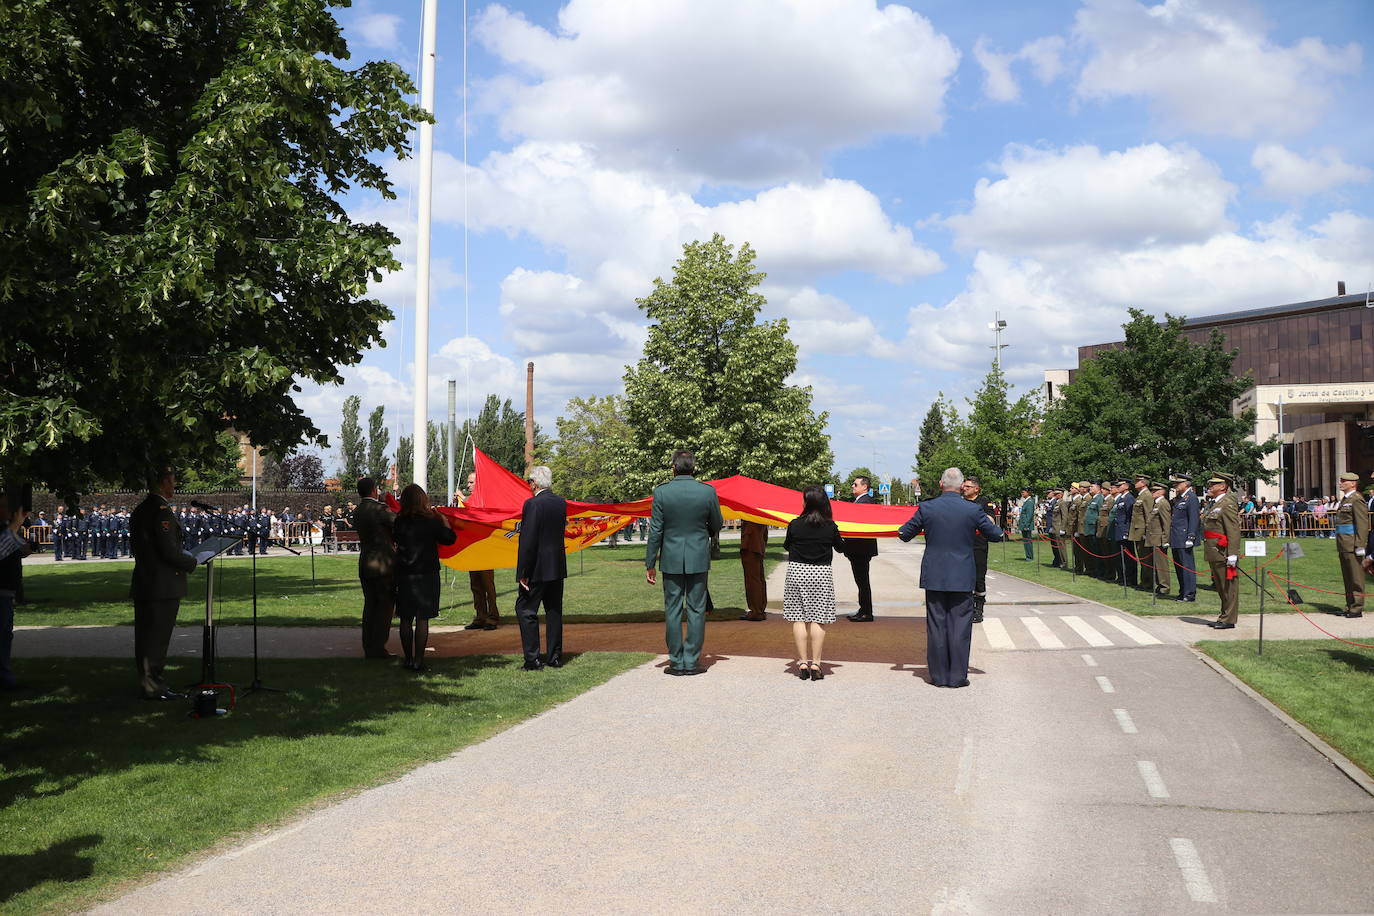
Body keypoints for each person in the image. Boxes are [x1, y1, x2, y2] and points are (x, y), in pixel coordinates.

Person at [899, 468, 1003, 688]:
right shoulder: (973, 509)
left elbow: (904, 534)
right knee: (960, 626)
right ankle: (956, 676)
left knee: (937, 626)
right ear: (961, 485)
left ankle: (938, 676)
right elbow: (996, 535)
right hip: (962, 575)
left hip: (935, 575)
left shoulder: (926, 507)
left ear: (940, 484)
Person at [645, 449, 723, 677]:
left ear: (674, 467)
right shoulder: (707, 492)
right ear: (693, 467)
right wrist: (702, 533)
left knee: (672, 609)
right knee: (697, 609)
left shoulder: (662, 492)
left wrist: (650, 562)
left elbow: (655, 531)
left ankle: (676, 661)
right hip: (698, 555)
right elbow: (717, 523)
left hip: (670, 557)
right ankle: (691, 660)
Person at [129, 468, 199, 700]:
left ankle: (149, 683)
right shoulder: (161, 512)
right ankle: (154, 687)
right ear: (163, 482)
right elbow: (168, 550)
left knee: (146, 638)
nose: (174, 486)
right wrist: (192, 561)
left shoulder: (142, 509)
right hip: (162, 584)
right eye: (172, 481)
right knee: (156, 639)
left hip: (146, 581)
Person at [782, 485, 846, 680]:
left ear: (807, 503)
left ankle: (802, 663)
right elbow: (841, 548)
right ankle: (816, 664)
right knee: (818, 619)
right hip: (821, 574)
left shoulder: (794, 524)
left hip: (797, 572)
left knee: (799, 617)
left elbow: (787, 545)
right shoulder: (830, 526)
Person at [393, 484, 457, 671]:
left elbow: (395, 540)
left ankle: (407, 659)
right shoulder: (431, 521)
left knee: (405, 618)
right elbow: (449, 538)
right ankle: (419, 661)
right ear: (423, 500)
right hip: (427, 574)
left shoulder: (399, 521)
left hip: (405, 574)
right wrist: (443, 520)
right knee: (422, 619)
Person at [514, 466, 569, 670]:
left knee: (525, 609)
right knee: (554, 611)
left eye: (529, 481)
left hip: (537, 567)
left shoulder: (532, 504)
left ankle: (532, 659)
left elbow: (528, 541)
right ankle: (554, 657)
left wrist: (523, 572)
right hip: (556, 565)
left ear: (535, 483)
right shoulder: (560, 503)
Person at [353, 477, 397, 659]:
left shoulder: (358, 511)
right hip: (382, 563)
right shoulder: (379, 509)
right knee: (385, 606)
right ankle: (379, 647)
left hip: (365, 562)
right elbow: (398, 524)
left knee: (370, 605)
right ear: (373, 490)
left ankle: (368, 646)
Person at [1, 492, 35, 690]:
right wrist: (16, 525)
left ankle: (4, 676)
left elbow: (20, 548)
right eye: (4, 506)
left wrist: (28, 545)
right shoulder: (6, 529)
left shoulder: (7, 529)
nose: (8, 511)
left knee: (5, 637)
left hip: (7, 592)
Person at [460, 471, 502, 631]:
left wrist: (463, 499)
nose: (468, 485)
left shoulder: (485, 499)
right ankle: (480, 616)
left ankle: (492, 617)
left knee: (488, 585)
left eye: (471, 482)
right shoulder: (468, 500)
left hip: (485, 549)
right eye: (468, 482)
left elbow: (479, 513)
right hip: (472, 548)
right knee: (475, 585)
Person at [1202, 473, 1242, 629]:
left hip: (1223, 551)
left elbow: (1233, 530)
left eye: (1213, 484)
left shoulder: (1227, 504)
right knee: (1220, 586)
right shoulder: (1215, 503)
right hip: (1214, 550)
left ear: (1223, 486)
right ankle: (1224, 616)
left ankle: (1229, 619)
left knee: (1228, 587)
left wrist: (1232, 553)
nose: (1209, 487)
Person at [1333, 472, 1369, 618]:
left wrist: (1360, 545)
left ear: (1353, 483)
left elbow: (1362, 524)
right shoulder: (1345, 499)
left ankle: (1356, 608)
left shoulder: (1356, 499)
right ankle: (1349, 606)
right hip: (1344, 543)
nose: (1340, 483)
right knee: (1348, 577)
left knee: (1356, 578)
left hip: (1353, 544)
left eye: (1344, 481)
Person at [842, 475, 878, 622]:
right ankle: (863, 609)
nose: (852, 486)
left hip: (860, 549)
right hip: (858, 549)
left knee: (863, 582)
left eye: (855, 484)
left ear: (865, 487)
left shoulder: (865, 502)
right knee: (861, 581)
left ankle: (866, 612)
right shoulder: (860, 501)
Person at [961, 477, 995, 623]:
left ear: (976, 489)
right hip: (961, 544)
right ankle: (964, 607)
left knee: (978, 577)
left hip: (978, 545)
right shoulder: (959, 501)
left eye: (968, 486)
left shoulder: (984, 502)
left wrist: (972, 514)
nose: (965, 488)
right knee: (962, 577)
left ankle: (978, 608)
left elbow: (991, 521)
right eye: (964, 486)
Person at [1169, 475, 1200, 602]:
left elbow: (1193, 518)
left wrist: (1191, 536)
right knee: (1179, 566)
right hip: (1176, 537)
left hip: (1184, 537)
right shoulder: (1179, 498)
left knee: (1187, 566)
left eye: (1178, 483)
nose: (1176, 485)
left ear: (1186, 484)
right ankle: (1183, 592)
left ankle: (1189, 593)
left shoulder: (1191, 498)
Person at [737, 520, 769, 621]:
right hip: (758, 545)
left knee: (752, 580)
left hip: (751, 545)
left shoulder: (750, 516)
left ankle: (756, 611)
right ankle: (760, 609)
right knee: (759, 579)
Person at [1145, 483, 1172, 596]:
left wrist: (1165, 539)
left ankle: (1164, 587)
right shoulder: (1156, 504)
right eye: (1152, 491)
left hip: (1159, 539)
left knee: (1161, 565)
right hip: (1153, 538)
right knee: (1156, 564)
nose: (1152, 493)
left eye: (1155, 491)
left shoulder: (1163, 503)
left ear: (1162, 492)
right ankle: (1159, 585)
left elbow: (1166, 523)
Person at [1017, 487, 1036, 560]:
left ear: (1028, 493)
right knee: (1026, 541)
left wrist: (1026, 525)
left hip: (1026, 525)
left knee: (1028, 541)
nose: (1022, 493)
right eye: (1022, 492)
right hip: (1024, 524)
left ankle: (1030, 556)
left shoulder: (1030, 502)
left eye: (1023, 492)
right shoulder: (1026, 501)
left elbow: (1029, 514)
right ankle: (1028, 556)